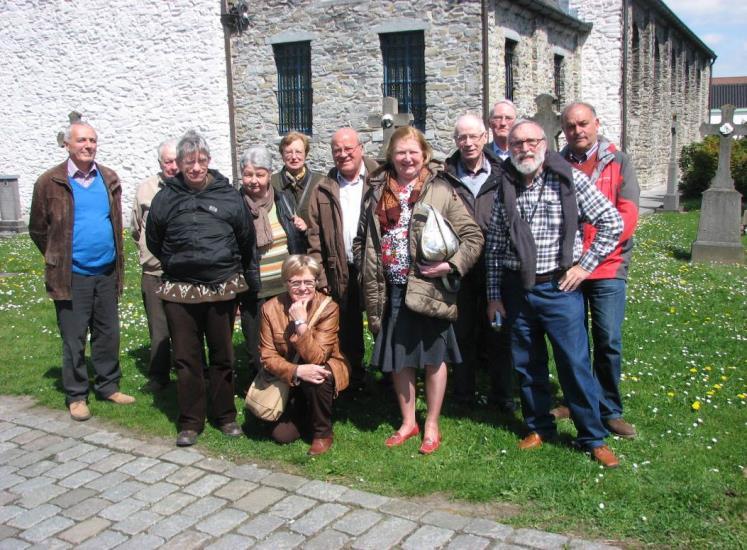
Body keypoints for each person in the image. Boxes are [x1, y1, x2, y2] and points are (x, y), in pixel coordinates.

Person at [485, 120, 623, 468]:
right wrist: (494, 296)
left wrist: (584, 267)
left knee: (574, 365)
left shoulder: (568, 180)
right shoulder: (505, 186)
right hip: (517, 288)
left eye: (531, 142)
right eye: (517, 144)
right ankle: (539, 426)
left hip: (559, 288)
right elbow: (496, 247)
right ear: (510, 148)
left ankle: (592, 437)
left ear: (544, 144)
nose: (525, 149)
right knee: (528, 364)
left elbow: (612, 222)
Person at [355, 126, 483, 454]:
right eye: (400, 152)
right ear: (391, 157)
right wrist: (367, 265)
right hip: (391, 289)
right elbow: (362, 238)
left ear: (424, 155)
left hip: (429, 287)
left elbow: (473, 236)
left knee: (434, 356)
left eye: (413, 152)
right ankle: (408, 421)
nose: (407, 158)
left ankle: (432, 424)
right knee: (400, 358)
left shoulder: (440, 189)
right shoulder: (375, 190)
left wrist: (450, 265)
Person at [146, 130, 258, 447]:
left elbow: (245, 238)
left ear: (208, 161)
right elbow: (154, 239)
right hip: (178, 290)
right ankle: (191, 421)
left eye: (201, 160)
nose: (195, 167)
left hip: (221, 287)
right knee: (186, 358)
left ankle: (225, 416)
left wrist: (224, 265)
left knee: (222, 356)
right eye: (189, 161)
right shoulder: (165, 198)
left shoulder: (227, 195)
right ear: (179, 163)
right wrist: (180, 261)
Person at [29, 121, 134, 421]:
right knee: (74, 338)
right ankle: (76, 394)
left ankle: (108, 385)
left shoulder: (108, 177)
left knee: (107, 333)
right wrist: (57, 256)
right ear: (67, 144)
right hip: (71, 275)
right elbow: (37, 228)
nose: (88, 146)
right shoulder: (49, 182)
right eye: (81, 141)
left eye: (92, 140)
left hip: (106, 272)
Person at [557, 101, 640, 438]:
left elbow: (627, 214)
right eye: (571, 126)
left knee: (607, 339)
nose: (578, 131)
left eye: (583, 124)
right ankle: (577, 401)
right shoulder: (558, 164)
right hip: (568, 266)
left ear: (596, 123)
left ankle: (609, 408)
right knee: (573, 341)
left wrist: (590, 257)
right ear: (563, 130)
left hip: (607, 266)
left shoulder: (618, 162)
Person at [443, 113, 514, 412]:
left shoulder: (502, 172)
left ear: (484, 137)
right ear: (456, 140)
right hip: (461, 266)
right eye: (462, 137)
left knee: (498, 333)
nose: (468, 143)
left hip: (495, 264)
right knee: (462, 333)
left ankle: (502, 396)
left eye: (474, 136)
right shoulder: (446, 176)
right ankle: (463, 395)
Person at [307, 128, 379, 391]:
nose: (343, 154)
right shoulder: (323, 188)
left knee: (380, 324)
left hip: (374, 267)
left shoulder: (379, 179)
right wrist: (321, 277)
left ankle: (389, 379)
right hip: (340, 269)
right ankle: (354, 379)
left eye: (348, 148)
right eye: (337, 149)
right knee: (348, 330)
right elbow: (314, 238)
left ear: (360, 148)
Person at [258, 254, 350, 455]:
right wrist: (297, 370)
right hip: (290, 375)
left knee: (319, 374)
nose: (302, 288)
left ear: (317, 282)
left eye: (309, 282)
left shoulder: (329, 308)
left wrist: (300, 324)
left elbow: (318, 357)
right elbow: (267, 355)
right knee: (282, 435)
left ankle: (322, 433)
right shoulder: (269, 308)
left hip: (325, 366)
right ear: (285, 282)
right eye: (295, 282)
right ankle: (305, 410)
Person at [238, 145, 308, 377]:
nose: (254, 180)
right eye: (248, 174)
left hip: (285, 290)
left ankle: (289, 395)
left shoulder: (283, 199)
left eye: (260, 174)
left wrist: (302, 228)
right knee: (258, 350)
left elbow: (295, 238)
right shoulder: (235, 205)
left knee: (288, 344)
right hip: (253, 290)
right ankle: (262, 400)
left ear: (269, 174)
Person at [130, 139, 178, 392]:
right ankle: (159, 376)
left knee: (187, 328)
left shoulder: (189, 188)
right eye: (167, 161)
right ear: (160, 163)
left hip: (183, 271)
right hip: (154, 271)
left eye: (176, 161)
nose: (172, 166)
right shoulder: (146, 189)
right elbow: (136, 228)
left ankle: (193, 371)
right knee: (159, 328)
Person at [271, 131, 325, 224]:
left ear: (306, 154)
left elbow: (325, 221)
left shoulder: (320, 182)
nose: (294, 157)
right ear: (282, 155)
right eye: (288, 152)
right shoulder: (272, 183)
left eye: (299, 152)